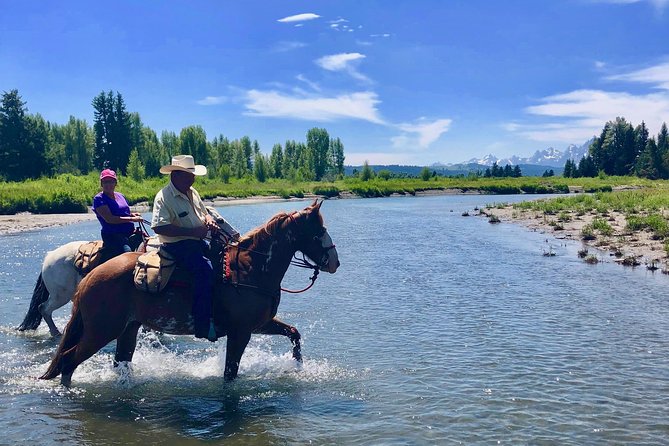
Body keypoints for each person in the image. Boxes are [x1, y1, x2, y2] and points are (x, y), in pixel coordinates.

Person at [151, 155, 220, 342]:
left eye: (192, 174)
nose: (193, 178)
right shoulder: (164, 197)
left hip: (197, 240)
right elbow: (158, 227)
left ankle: (221, 310)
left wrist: (209, 220)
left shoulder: (192, 192)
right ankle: (202, 324)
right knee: (204, 271)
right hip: (177, 245)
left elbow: (204, 213)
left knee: (225, 259)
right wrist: (193, 231)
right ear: (175, 175)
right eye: (189, 175)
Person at [93, 169, 144, 258]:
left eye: (111, 181)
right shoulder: (99, 199)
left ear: (115, 183)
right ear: (101, 184)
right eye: (105, 182)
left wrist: (132, 215)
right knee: (128, 255)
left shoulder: (120, 195)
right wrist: (132, 219)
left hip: (129, 232)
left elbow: (123, 212)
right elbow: (110, 219)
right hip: (113, 236)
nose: (108, 184)